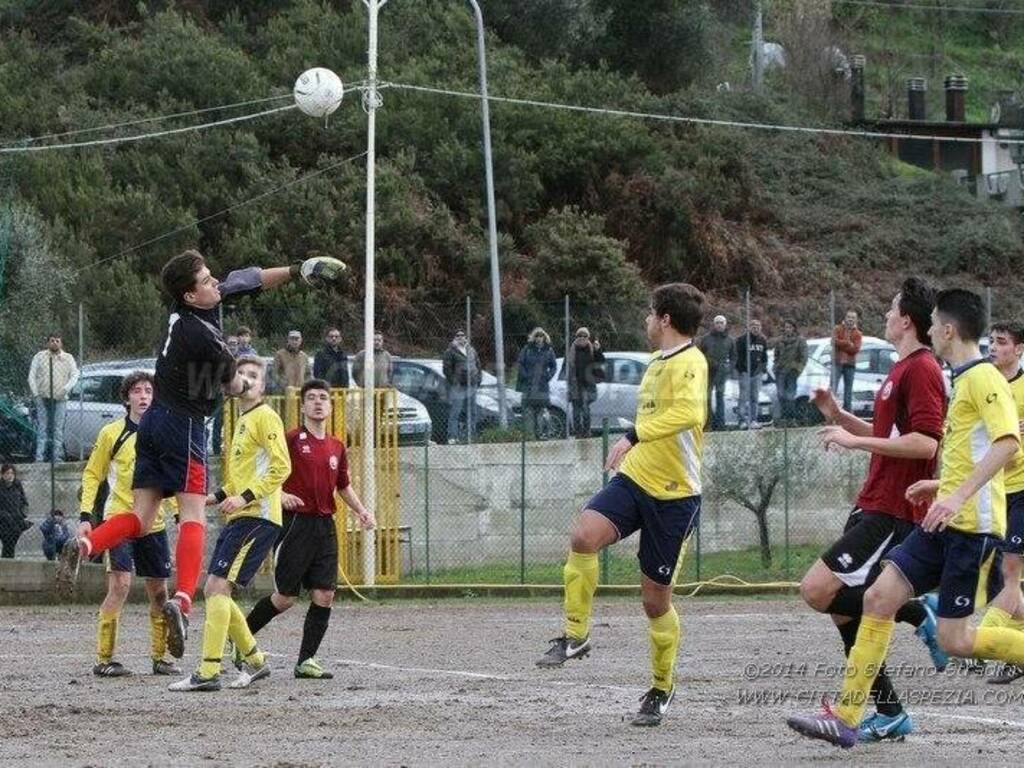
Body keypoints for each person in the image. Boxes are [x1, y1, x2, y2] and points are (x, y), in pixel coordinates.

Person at [57, 249, 344, 660]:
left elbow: (246, 280)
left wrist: (299, 270)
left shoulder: (185, 308)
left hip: (152, 425)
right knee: (193, 517)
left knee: (140, 518)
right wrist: (251, 388)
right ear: (191, 296)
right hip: (183, 426)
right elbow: (232, 383)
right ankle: (183, 603)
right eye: (207, 281)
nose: (215, 283)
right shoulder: (200, 334)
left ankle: (85, 547)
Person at [787, 288, 1023, 749]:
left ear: (949, 330)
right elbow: (967, 453)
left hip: (968, 528)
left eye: (933, 322)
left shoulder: (983, 380)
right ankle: (847, 717)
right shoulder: (963, 377)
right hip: (942, 520)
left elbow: (1008, 444)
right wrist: (940, 488)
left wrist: (956, 497)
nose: (929, 329)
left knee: (956, 641)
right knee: (879, 596)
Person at [537, 283, 707, 728]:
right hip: (637, 479)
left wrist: (633, 435)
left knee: (654, 603)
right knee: (583, 535)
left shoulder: (690, 361)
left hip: (675, 496)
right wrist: (636, 443)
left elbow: (689, 414)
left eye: (651, 313)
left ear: (666, 319)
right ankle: (576, 635)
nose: (647, 321)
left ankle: (660, 687)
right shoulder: (655, 362)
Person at [794, 278, 947, 743]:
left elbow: (925, 443)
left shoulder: (921, 369)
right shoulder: (901, 370)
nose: (884, 314)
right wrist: (840, 417)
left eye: (891, 308)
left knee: (817, 590)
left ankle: (918, 614)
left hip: (893, 512)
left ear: (906, 321)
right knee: (844, 612)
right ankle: (890, 711)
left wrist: (855, 439)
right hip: (872, 505)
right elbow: (892, 439)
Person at [169, 357, 290, 692]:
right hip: (242, 515)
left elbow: (282, 468)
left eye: (255, 375)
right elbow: (237, 481)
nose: (247, 379)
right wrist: (208, 499)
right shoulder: (239, 421)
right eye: (242, 374)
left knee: (217, 589)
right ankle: (255, 662)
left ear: (264, 386)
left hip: (259, 517)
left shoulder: (265, 416)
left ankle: (208, 671)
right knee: (215, 590)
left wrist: (246, 497)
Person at [243, 379, 375, 680]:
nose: (318, 402)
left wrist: (362, 511)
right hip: (295, 525)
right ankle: (241, 638)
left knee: (325, 594)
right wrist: (278, 495)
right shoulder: (290, 439)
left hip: (325, 526)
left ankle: (306, 661)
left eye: (323, 398)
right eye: (312, 398)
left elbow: (343, 486)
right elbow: (264, 472)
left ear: (330, 406)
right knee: (286, 598)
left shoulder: (336, 446)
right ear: (302, 406)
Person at [78, 371, 180, 678]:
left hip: (154, 523)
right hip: (120, 520)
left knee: (159, 593)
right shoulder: (111, 433)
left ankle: (160, 658)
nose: (144, 396)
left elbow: (170, 481)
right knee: (120, 585)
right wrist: (85, 516)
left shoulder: (162, 434)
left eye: (149, 390)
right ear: (127, 398)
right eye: (137, 391)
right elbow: (92, 474)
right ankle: (104, 658)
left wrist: (178, 513)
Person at [976, 322, 1024, 684]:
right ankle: (1016, 649)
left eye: (1002, 342)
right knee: (998, 576)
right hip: (992, 491)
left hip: (1022, 489)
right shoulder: (986, 385)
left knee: (1010, 572)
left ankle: (982, 639)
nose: (994, 347)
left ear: (1018, 350)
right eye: (991, 341)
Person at [28, 333, 79, 462]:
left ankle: (57, 457)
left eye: (57, 341)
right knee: (42, 427)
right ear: (48, 343)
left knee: (58, 428)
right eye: (52, 340)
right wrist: (36, 394)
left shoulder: (68, 358)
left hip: (60, 398)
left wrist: (65, 389)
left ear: (61, 343)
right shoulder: (39, 357)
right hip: (42, 397)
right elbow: (31, 376)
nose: (54, 343)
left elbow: (74, 375)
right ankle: (39, 457)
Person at [516, 328, 558, 439]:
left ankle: (541, 434)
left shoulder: (549, 350)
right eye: (537, 336)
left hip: (542, 386)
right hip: (529, 386)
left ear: (544, 337)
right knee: (528, 412)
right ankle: (529, 436)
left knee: (542, 412)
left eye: (541, 336)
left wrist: (547, 376)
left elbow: (553, 366)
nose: (539, 338)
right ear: (534, 337)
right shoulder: (527, 349)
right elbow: (520, 363)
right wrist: (525, 376)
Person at [442, 329, 481, 444]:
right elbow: (447, 369)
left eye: (462, 336)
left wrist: (478, 380)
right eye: (458, 336)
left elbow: (478, 365)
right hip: (458, 387)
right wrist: (454, 381)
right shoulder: (450, 351)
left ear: (466, 338)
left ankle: (470, 436)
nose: (460, 338)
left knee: (472, 412)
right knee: (455, 412)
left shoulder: (471, 350)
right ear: (454, 338)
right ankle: (452, 436)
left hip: (472, 385)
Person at [566, 328, 605, 438]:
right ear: (577, 337)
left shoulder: (591, 348)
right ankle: (578, 432)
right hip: (575, 384)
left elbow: (601, 362)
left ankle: (587, 431)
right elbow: (568, 367)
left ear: (588, 338)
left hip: (588, 384)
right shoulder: (572, 350)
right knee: (576, 410)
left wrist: (598, 350)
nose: (582, 338)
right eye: (580, 336)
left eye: (585, 336)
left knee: (586, 409)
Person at [698, 315, 735, 430]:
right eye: (717, 323)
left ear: (725, 324)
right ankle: (707, 423)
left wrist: (729, 367)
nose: (719, 325)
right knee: (706, 398)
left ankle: (720, 424)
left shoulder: (730, 340)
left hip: (721, 373)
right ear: (714, 324)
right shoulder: (706, 338)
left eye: (721, 323)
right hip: (708, 373)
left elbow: (734, 357)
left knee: (720, 398)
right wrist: (707, 363)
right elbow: (699, 354)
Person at [734, 318, 768, 429]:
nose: (755, 328)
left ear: (760, 328)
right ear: (749, 328)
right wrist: (742, 370)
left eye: (758, 326)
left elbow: (764, 357)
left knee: (755, 397)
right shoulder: (742, 340)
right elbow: (737, 357)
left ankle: (753, 420)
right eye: (753, 326)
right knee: (743, 397)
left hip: (756, 373)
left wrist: (762, 369)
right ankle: (742, 420)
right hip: (744, 372)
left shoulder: (762, 340)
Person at [772, 320, 808, 422]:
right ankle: (783, 417)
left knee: (790, 395)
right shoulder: (780, 340)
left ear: (794, 328)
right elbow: (776, 355)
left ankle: (791, 417)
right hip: (780, 371)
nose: (787, 329)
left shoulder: (800, 340)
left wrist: (797, 369)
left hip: (792, 371)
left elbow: (804, 357)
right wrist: (776, 366)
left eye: (790, 327)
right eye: (786, 327)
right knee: (780, 394)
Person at [833, 309, 863, 413]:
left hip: (850, 364)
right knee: (833, 388)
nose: (850, 319)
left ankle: (847, 413)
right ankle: (831, 412)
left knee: (848, 391)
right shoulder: (837, 329)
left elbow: (855, 349)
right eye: (849, 317)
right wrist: (848, 343)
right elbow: (834, 342)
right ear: (845, 318)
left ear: (856, 320)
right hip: (837, 363)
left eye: (853, 317)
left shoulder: (858, 334)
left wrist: (843, 345)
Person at [0, 463, 30, 558]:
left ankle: (7, 562)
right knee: (7, 545)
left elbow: (24, 501)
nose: (10, 476)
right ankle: (6, 563)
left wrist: (22, 513)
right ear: (2, 474)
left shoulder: (17, 485)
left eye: (12, 473)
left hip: (16, 520)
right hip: (3, 521)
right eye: (7, 473)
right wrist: (4, 515)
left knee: (11, 546)